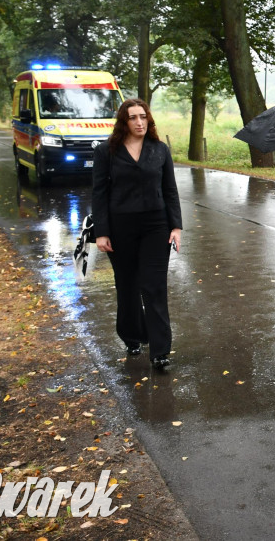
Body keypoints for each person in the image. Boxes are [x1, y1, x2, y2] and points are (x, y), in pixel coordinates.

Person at [92, 98, 182, 371]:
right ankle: (132, 336)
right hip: (120, 228)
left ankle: (160, 351)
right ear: (124, 122)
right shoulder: (107, 151)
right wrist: (101, 232)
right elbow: (100, 193)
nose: (140, 122)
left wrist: (176, 226)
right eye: (133, 117)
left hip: (156, 227)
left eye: (143, 116)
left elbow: (170, 190)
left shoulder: (159, 150)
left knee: (153, 287)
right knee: (128, 286)